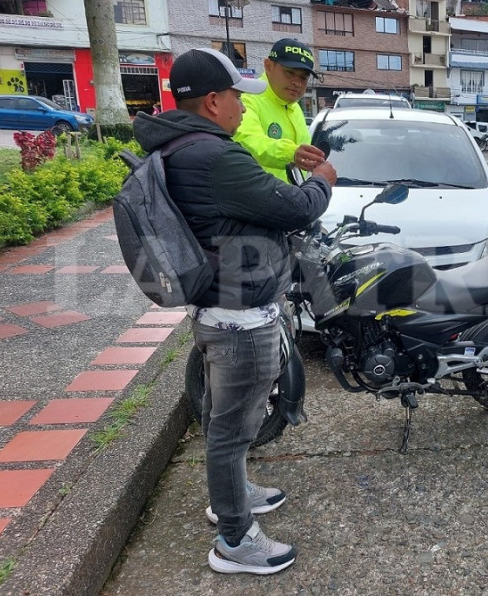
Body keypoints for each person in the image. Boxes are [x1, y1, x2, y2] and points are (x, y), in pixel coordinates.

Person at [133, 48, 337, 575]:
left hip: (218, 308)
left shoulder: (179, 146)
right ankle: (235, 539)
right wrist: (323, 179)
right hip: (239, 317)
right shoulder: (215, 157)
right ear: (212, 101)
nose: (243, 108)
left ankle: (234, 493)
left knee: (228, 419)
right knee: (231, 427)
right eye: (236, 99)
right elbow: (296, 207)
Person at [234, 38, 324, 182]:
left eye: (303, 77)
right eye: (289, 72)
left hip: (292, 194)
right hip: (259, 194)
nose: (297, 83)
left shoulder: (294, 108)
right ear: (268, 66)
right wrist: (291, 153)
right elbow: (246, 140)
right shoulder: (247, 101)